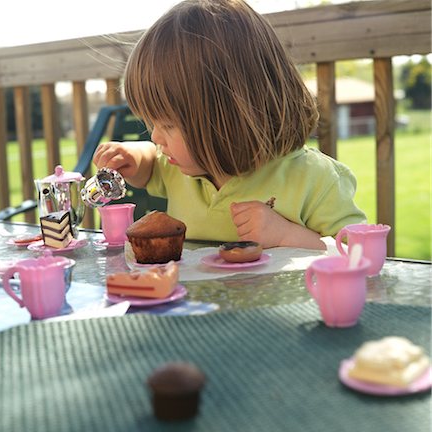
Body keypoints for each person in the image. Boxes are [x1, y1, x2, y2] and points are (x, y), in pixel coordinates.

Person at [93, 0, 366, 250]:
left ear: (226, 117)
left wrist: (286, 236)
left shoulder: (314, 179)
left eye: (168, 124)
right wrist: (133, 156)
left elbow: (361, 253)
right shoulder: (182, 169)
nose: (156, 137)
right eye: (152, 122)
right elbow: (149, 165)